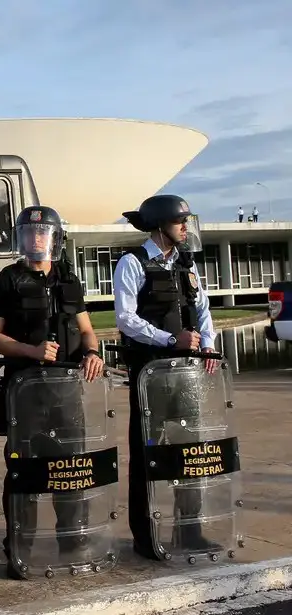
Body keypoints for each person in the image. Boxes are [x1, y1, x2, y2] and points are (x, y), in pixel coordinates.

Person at [0, 205, 106, 580]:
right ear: (20, 238)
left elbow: (86, 329)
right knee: (24, 473)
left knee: (70, 470)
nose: (36, 239)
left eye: (43, 233)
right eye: (29, 233)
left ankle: (73, 542)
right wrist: (31, 351)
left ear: (55, 238)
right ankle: (20, 547)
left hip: (67, 393)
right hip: (25, 394)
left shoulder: (68, 279)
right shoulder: (5, 280)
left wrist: (93, 352)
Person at [113, 194, 221, 561]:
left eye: (187, 221)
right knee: (148, 456)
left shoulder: (186, 264)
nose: (185, 227)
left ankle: (189, 532)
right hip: (151, 373)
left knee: (188, 452)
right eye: (180, 221)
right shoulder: (133, 263)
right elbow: (126, 319)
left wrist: (206, 344)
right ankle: (145, 538)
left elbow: (203, 309)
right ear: (161, 224)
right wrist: (170, 339)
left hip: (187, 375)